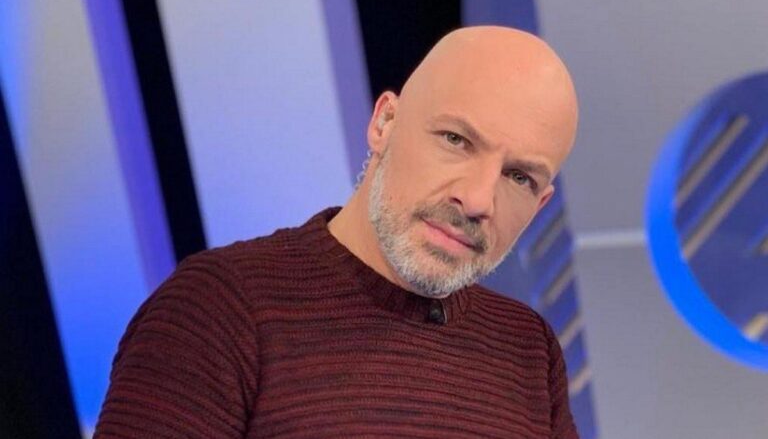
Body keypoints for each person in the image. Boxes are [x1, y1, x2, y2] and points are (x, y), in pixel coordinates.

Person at [94, 26, 579, 438]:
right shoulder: (218, 309)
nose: (476, 200)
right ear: (385, 122)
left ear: (540, 204)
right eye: (456, 140)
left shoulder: (528, 348)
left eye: (519, 177)